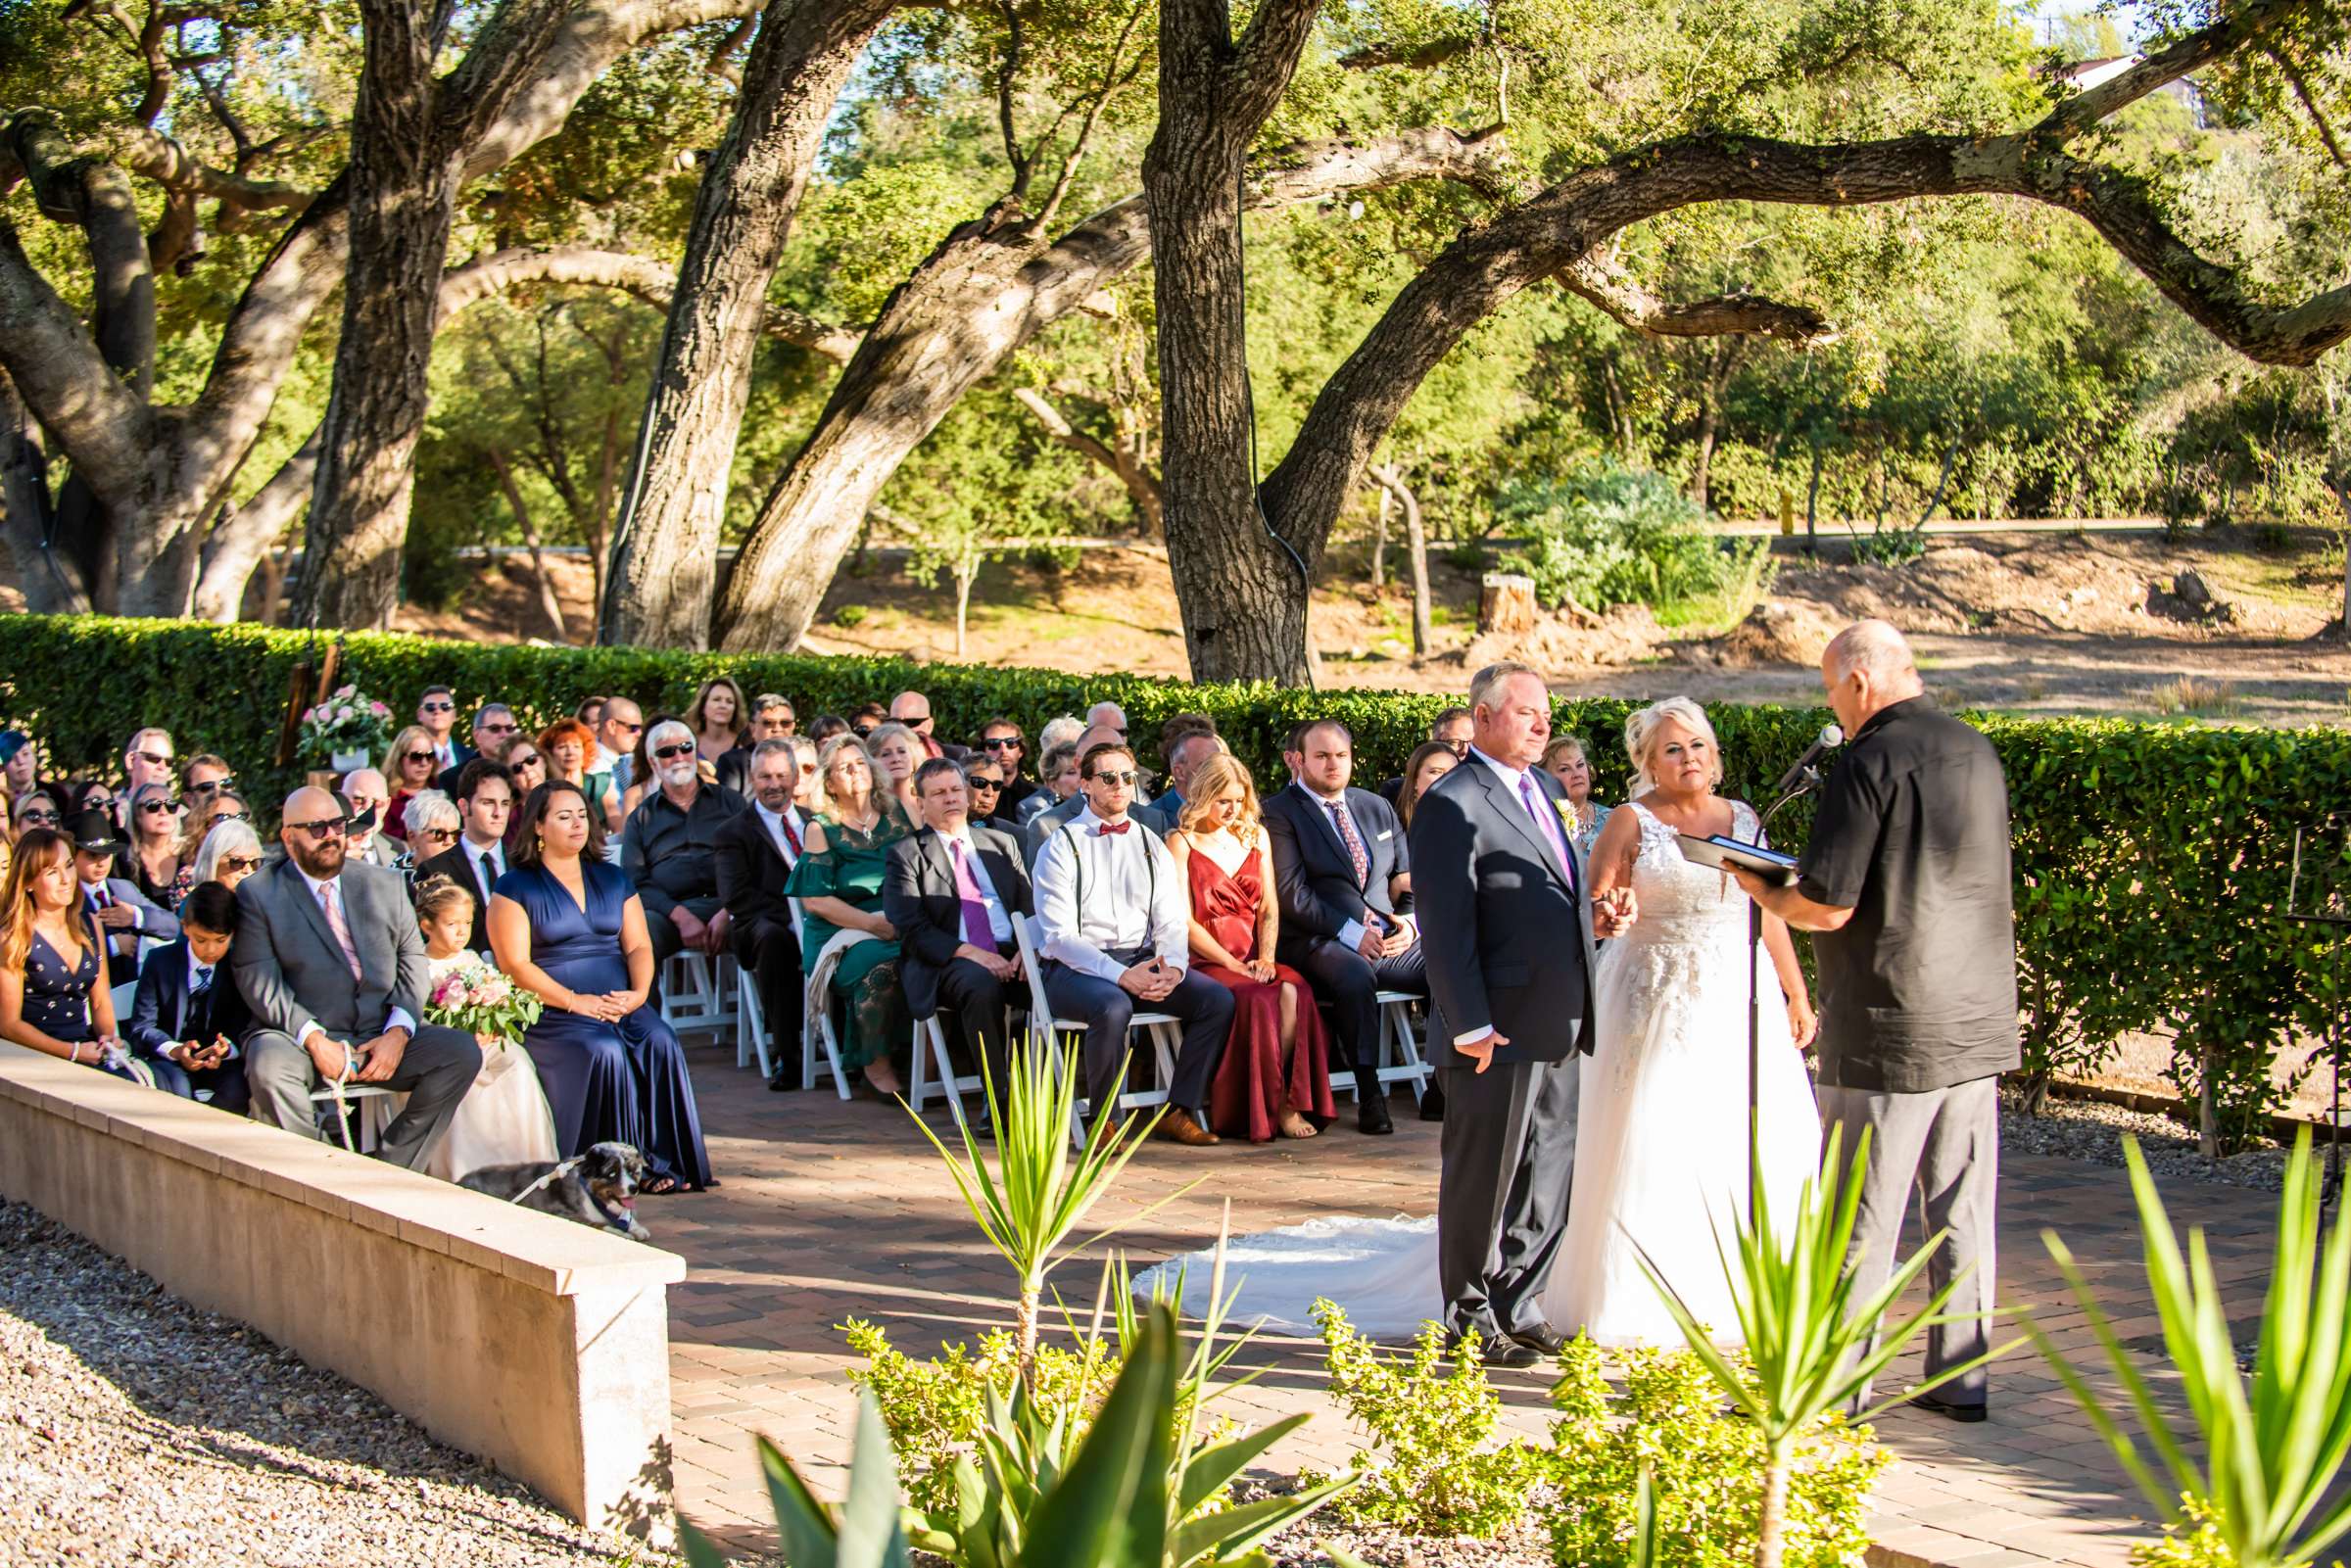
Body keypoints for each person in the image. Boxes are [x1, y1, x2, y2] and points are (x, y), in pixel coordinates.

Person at [1732, 619, 2017, 1421]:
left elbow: (1826, 905)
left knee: (1861, 1214)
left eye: (1830, 688)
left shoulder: (1869, 759)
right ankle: (1958, 1381)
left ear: (1859, 682)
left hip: (1892, 1020)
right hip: (1976, 1014)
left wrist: (1762, 889)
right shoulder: (1977, 747)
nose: (1833, 704)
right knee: (1960, 1205)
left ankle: (1831, 1389)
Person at [1549, 697, 1819, 1347]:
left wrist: (1794, 989)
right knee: (1656, 1127)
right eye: (1672, 748)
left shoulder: (1745, 818)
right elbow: (1594, 906)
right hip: (1655, 990)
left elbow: (1771, 910)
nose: (1688, 757)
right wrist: (1615, 907)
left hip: (1737, 993)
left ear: (1714, 753)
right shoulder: (1631, 821)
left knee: (1745, 1130)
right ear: (1647, 761)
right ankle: (1642, 1285)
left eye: (1697, 744)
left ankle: (1753, 1280)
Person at [232, 786, 483, 1170]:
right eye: (317, 828)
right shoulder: (260, 892)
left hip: (378, 1032)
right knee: (268, 1064)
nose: (331, 835)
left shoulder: (382, 883)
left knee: (459, 1053)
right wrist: (314, 1040)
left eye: (337, 824)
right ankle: (319, 1174)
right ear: (288, 836)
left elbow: (411, 957)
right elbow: (258, 978)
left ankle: (389, 1172)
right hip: (301, 1037)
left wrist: (399, 1032)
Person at [487, 780, 712, 1193]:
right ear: (538, 826)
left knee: (659, 1038)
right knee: (604, 1051)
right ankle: (609, 1172)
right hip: (555, 1011)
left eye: (581, 814)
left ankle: (660, 1161)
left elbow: (640, 944)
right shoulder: (514, 886)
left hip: (620, 1002)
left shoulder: (613, 878)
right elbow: (515, 965)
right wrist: (575, 1002)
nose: (577, 824)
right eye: (563, 816)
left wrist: (640, 994)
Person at [1032, 741, 1233, 1147]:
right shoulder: (1060, 844)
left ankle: (1179, 1110)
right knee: (1113, 1005)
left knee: (1217, 1000)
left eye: (1128, 777)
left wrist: (1174, 967)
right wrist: (1121, 975)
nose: (1120, 785)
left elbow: (1171, 917)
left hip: (1141, 960)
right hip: (1075, 968)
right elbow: (1058, 936)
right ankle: (1103, 1120)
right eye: (1108, 778)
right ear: (1085, 785)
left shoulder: (1147, 840)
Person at [1263, 720, 1424, 1134]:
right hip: (1317, 937)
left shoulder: (1376, 807)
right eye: (1321, 756)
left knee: (1450, 962)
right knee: (1354, 975)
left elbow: (1405, 878)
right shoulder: (1279, 812)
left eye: (1341, 755)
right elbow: (1291, 893)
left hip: (1388, 937)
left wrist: (1408, 921)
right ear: (1297, 760)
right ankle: (1370, 1091)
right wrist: (1353, 934)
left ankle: (1443, 1083)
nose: (1333, 764)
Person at [1166, 754, 1334, 1143]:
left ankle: (1286, 1101)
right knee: (1258, 997)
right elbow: (1183, 921)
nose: (1232, 809)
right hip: (1207, 957)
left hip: (1255, 953)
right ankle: (1270, 1107)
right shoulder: (1181, 841)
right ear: (1202, 795)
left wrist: (1268, 956)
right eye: (1222, 800)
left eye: (1239, 800)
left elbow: (1269, 906)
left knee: (1295, 991)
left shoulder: (1255, 836)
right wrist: (1231, 964)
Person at [883, 758, 1031, 1097]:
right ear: (920, 804)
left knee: (1060, 981)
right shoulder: (906, 854)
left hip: (1013, 952)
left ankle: (1050, 1091)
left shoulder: (1001, 843)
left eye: (955, 790)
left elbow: (1029, 905)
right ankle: (999, 1100)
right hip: (949, 959)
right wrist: (973, 953)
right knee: (982, 986)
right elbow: (910, 927)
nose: (950, 799)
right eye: (938, 794)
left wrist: (1028, 947)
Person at [785, 737, 913, 1096]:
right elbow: (816, 902)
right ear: (829, 783)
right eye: (845, 767)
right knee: (884, 965)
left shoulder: (898, 815)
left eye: (860, 763)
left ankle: (924, 1059)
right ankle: (875, 1064)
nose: (856, 771)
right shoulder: (821, 828)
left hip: (898, 923)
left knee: (929, 956)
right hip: (842, 933)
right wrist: (873, 925)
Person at [412, 874, 560, 1181]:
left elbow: (495, 1001)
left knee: (518, 1065)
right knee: (468, 1083)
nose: (461, 932)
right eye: (451, 924)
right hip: (447, 1048)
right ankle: (466, 1171)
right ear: (427, 926)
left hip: (486, 1042)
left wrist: (492, 1022)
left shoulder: (471, 960)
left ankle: (524, 1165)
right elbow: (419, 1016)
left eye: (466, 923)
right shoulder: (420, 966)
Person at [716, 738, 812, 1091]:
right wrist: (794, 915)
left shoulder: (816, 823)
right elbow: (736, 897)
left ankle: (854, 1055)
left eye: (781, 775)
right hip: (762, 924)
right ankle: (786, 1051)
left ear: (796, 777)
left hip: (819, 919)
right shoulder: (732, 831)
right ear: (753, 780)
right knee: (777, 941)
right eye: (764, 776)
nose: (774, 784)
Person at [0, 827, 129, 1077]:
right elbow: (9, 1024)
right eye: (52, 872)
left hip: (88, 1048)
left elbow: (101, 1000)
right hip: (35, 1059)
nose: (66, 879)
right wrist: (71, 1052)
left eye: (69, 865)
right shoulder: (11, 937)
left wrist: (109, 1037)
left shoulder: (90, 924)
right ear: (27, 883)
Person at [622, 719, 744, 964]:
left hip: (732, 906)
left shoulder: (731, 802)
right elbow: (635, 880)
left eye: (686, 747)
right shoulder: (641, 818)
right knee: (637, 935)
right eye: (667, 752)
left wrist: (727, 912)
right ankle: (641, 1003)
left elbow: (756, 861)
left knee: (770, 931)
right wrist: (680, 916)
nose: (679, 757)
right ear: (653, 762)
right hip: (671, 912)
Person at [126, 880, 252, 1110]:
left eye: (221, 941)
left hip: (220, 1064)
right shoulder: (160, 962)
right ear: (185, 928)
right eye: (201, 940)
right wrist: (174, 1049)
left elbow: (244, 1023)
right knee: (177, 1091)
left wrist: (226, 1050)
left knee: (238, 1088)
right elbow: (142, 1027)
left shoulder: (238, 967)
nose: (211, 950)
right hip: (170, 1062)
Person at [414, 760, 514, 954]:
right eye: (488, 803)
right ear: (463, 806)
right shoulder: (434, 869)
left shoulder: (524, 863)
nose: (498, 813)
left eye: (505, 803)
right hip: (464, 976)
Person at [69, 809, 176, 984]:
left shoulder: (123, 889)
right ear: (73, 856)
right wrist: (112, 946)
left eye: (106, 854)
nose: (101, 862)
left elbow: (174, 926)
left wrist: (136, 916)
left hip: (130, 991)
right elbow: (64, 953)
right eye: (92, 855)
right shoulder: (67, 897)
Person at [1024, 724, 1126, 868]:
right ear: (1052, 784)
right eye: (1071, 772)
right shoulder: (1045, 825)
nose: (1080, 776)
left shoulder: (1149, 817)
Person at [1134, 729, 1224, 838]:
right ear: (1180, 772)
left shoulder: (1234, 811)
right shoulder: (1149, 819)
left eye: (1219, 764)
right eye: (1206, 765)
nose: (1217, 772)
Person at [542, 717, 623, 837]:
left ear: (585, 750)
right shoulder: (545, 789)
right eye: (562, 747)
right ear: (550, 753)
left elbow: (617, 824)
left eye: (576, 746)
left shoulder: (600, 783)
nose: (570, 752)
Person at [168, 788, 250, 905]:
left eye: (240, 817)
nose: (234, 823)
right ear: (204, 824)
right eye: (224, 817)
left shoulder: (254, 867)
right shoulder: (189, 877)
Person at [1377, 708, 1473, 804]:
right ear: (1434, 744)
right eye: (1454, 742)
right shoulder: (1395, 793)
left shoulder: (1484, 792)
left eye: (1473, 742)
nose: (1465, 750)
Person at [116, 782, 184, 906]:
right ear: (137, 815)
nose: (163, 812)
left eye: (170, 805)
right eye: (153, 805)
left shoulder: (190, 855)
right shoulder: (123, 861)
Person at [1543, 736, 1612, 856]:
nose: (1576, 774)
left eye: (1580, 765)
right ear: (1545, 778)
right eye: (1564, 769)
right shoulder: (1541, 822)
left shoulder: (1614, 820)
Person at [716, 692, 795, 795]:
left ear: (793, 727)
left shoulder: (804, 761)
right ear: (753, 728)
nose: (777, 729)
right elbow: (730, 807)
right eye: (768, 723)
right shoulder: (733, 763)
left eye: (785, 723)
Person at [437, 703, 519, 794]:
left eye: (509, 728)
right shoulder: (452, 779)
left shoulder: (525, 770)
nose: (504, 735)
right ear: (477, 736)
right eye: (495, 729)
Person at [381, 724, 441, 844]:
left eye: (429, 756)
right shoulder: (385, 795)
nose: (424, 763)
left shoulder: (442, 788)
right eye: (416, 756)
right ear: (399, 758)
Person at [974, 718, 1037, 821]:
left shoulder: (1036, 794)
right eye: (994, 744)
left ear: (1021, 750)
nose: (1003, 750)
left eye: (1011, 743)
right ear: (983, 751)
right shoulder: (974, 796)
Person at [187, 817, 264, 895]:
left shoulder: (264, 905)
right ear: (213, 862)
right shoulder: (194, 905)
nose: (248, 870)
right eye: (237, 862)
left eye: (254, 863)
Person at [397, 791, 461, 885]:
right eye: (439, 834)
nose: (449, 841)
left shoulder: (468, 873)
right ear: (412, 837)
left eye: (454, 834)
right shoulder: (394, 881)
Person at [118, 728, 175, 832]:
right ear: (131, 760)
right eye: (153, 759)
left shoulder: (182, 817)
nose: (162, 767)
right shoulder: (110, 813)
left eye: (169, 762)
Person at [339, 768, 399, 868]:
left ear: (387, 805)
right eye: (358, 799)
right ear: (341, 799)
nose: (367, 808)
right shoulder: (326, 846)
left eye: (377, 803)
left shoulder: (399, 849)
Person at [865, 722, 925, 821]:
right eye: (886, 754)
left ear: (913, 756)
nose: (896, 759)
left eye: (902, 751)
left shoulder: (930, 800)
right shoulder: (870, 809)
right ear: (872, 762)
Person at [1394, 740, 1459, 831]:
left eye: (1453, 772)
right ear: (1415, 779)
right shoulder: (1393, 827)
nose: (1447, 778)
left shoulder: (1469, 824)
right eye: (1436, 772)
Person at [889, 690, 969, 762]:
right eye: (895, 722)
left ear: (929, 726)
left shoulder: (958, 758)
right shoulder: (881, 761)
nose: (902, 728)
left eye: (911, 722)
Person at [590, 695, 645, 795]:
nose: (639, 734)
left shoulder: (637, 762)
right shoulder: (587, 764)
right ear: (612, 726)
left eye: (641, 728)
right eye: (633, 728)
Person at [1020, 742, 1081, 831]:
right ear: (1053, 785)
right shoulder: (1043, 823)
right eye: (1071, 772)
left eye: (1085, 768)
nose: (1082, 776)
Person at [688, 677, 749, 764]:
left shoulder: (744, 745)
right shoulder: (689, 743)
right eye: (716, 700)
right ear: (702, 706)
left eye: (729, 701)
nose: (723, 705)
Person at [416, 686, 465, 772]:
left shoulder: (469, 756)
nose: (438, 711)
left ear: (454, 714)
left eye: (445, 706)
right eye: (430, 707)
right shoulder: (412, 757)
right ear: (420, 714)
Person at [962, 757, 1014, 830]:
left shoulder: (1016, 834)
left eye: (997, 785)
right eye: (980, 782)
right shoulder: (941, 829)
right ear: (960, 784)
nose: (989, 793)